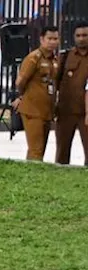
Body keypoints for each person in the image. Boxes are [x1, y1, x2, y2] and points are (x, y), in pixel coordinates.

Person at [15, 27, 61, 161]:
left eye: (55, 39)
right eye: (49, 39)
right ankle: (34, 176)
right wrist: (23, 96)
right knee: (36, 150)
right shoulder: (33, 58)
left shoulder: (55, 60)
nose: (52, 42)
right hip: (32, 110)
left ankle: (33, 173)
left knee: (40, 148)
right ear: (42, 39)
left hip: (46, 110)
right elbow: (20, 82)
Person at [54, 22, 88, 165]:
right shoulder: (66, 56)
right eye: (78, 35)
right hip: (66, 111)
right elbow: (55, 81)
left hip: (85, 112)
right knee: (62, 151)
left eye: (85, 35)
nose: (81, 39)